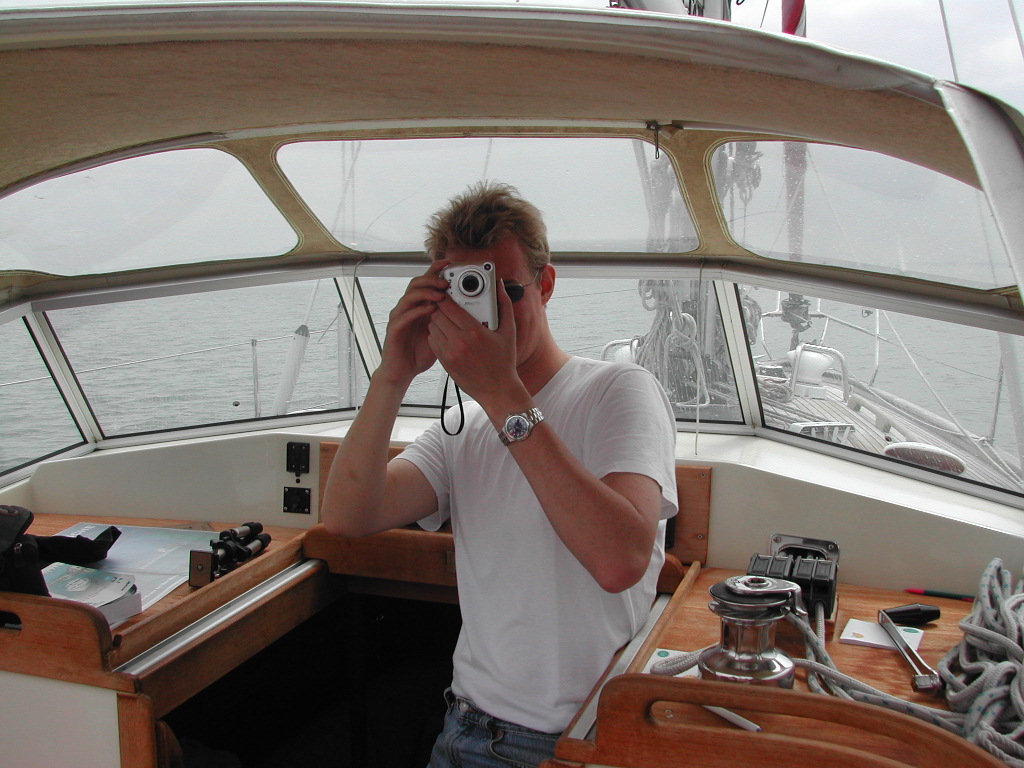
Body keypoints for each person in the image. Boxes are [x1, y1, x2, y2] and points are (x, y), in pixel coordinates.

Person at [322, 181, 678, 768]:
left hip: (575, 738)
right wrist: (392, 375)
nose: (490, 312)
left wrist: (500, 393)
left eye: (505, 290)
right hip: (464, 726)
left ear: (546, 284)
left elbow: (620, 561)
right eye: (465, 293)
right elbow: (347, 516)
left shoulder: (618, 391)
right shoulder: (463, 426)